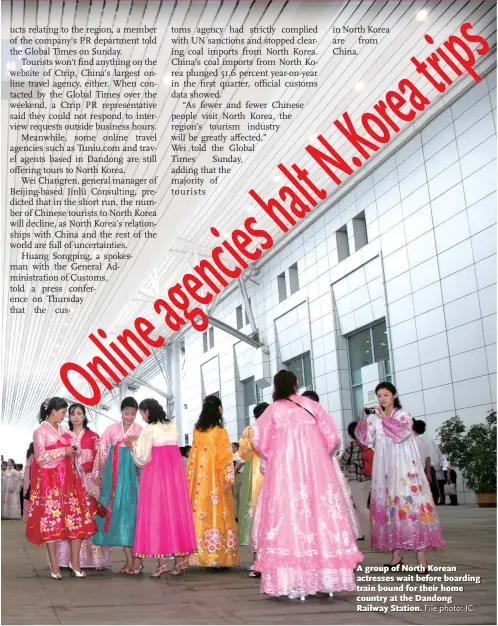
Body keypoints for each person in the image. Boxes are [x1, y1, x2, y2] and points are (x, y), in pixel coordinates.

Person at [251, 370, 363, 600]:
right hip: (316, 470)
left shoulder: (274, 410)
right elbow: (332, 437)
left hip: (286, 472)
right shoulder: (311, 406)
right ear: (295, 383)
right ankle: (327, 579)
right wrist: (316, 452)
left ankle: (292, 580)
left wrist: (277, 453)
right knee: (320, 514)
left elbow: (259, 441)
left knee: (288, 515)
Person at [355, 382, 445, 570]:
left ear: (394, 396)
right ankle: (396, 555)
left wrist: (383, 417)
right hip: (384, 469)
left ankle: (421, 557)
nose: (382, 399)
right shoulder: (376, 420)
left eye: (386, 395)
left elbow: (401, 434)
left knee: (411, 505)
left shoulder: (404, 416)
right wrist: (363, 419)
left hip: (404, 468)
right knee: (389, 508)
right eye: (379, 396)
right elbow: (366, 439)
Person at [26, 398, 97, 579]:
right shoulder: (40, 432)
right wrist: (62, 451)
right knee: (52, 521)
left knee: (76, 520)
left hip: (70, 480)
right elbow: (40, 457)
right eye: (64, 412)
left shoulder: (65, 430)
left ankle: (75, 562)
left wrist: (74, 450)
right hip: (50, 483)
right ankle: (55, 563)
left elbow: (77, 451)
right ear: (53, 411)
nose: (65, 416)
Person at [129, 398, 197, 578]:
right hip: (175, 477)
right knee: (176, 514)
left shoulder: (149, 429)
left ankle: (162, 564)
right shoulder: (172, 427)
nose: (142, 417)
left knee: (157, 515)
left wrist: (132, 445)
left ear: (147, 412)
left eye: (142, 413)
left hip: (156, 477)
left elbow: (142, 458)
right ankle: (180, 561)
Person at [56, 403, 112, 571]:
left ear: (84, 416)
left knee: (91, 517)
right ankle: (67, 559)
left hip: (89, 482)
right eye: (72, 414)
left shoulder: (94, 437)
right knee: (69, 518)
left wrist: (96, 476)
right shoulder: (64, 437)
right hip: (68, 483)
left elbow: (101, 459)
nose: (76, 417)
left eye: (79, 413)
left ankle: (95, 559)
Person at [187, 395, 240, 570]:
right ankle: (218, 557)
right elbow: (225, 458)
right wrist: (227, 478)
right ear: (218, 409)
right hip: (215, 481)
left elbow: (192, 459)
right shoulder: (220, 432)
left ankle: (202, 555)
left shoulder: (197, 430)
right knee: (218, 514)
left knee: (201, 514)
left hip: (199, 485)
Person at [92, 397, 143, 575]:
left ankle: (136, 559)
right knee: (116, 515)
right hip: (113, 478)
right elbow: (103, 451)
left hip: (131, 478)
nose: (129, 417)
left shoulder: (140, 431)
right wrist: (98, 474)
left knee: (132, 516)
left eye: (133, 413)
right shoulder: (111, 429)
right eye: (126, 412)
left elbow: (145, 456)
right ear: (121, 412)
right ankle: (130, 559)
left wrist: (134, 445)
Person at [238, 402, 269, 577]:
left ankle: (257, 560)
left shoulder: (251, 430)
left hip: (255, 472)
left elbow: (244, 453)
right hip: (274, 471)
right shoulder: (276, 428)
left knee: (255, 512)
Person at [340, 421, 372, 541]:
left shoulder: (352, 445)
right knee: (363, 506)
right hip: (368, 478)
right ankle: (362, 532)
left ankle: (375, 528)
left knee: (360, 507)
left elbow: (342, 461)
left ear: (350, 433)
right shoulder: (367, 444)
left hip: (356, 479)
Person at [412, 420, 439, 504]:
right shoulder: (429, 439)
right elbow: (430, 457)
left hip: (417, 469)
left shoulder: (414, 440)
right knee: (429, 488)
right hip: (429, 467)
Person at [232, 442, 244, 522]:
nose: (230, 449)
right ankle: (238, 515)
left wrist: (235, 470)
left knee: (235, 496)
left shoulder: (237, 455)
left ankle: (236, 516)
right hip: (239, 476)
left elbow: (241, 462)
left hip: (237, 476)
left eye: (232, 447)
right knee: (238, 497)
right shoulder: (238, 455)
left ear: (236, 448)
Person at [23, 444, 34, 521]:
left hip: (26, 481)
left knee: (27, 499)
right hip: (31, 480)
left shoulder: (28, 457)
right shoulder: (33, 457)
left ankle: (27, 517)